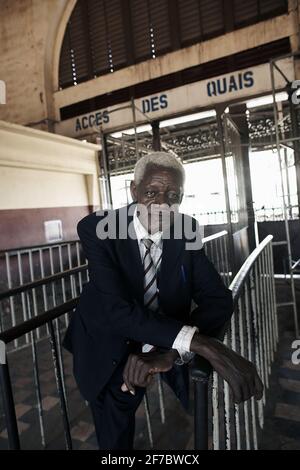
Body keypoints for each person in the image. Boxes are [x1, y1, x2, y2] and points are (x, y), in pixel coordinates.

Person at [63, 151, 263, 450]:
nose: (161, 204)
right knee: (114, 432)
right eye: (151, 192)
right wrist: (206, 345)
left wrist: (173, 350)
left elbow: (218, 299)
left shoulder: (186, 228)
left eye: (173, 195)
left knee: (202, 408)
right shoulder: (98, 228)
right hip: (107, 343)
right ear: (133, 190)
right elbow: (118, 312)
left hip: (163, 339)